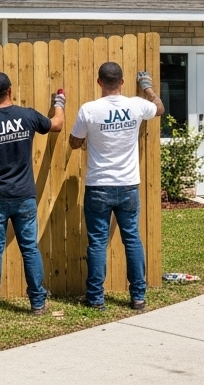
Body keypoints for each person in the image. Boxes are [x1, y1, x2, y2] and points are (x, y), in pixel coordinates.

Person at [0, 71, 66, 317]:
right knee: (29, 248)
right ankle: (38, 303)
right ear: (10, 90)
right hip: (24, 196)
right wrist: (59, 103)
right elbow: (57, 125)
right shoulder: (27, 116)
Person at [69, 62, 164, 311]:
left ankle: (96, 299)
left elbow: (74, 143)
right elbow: (160, 109)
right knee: (132, 240)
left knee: (98, 243)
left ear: (99, 82)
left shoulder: (89, 109)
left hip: (99, 186)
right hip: (128, 185)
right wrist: (148, 89)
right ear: (122, 82)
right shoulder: (136, 105)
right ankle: (138, 298)